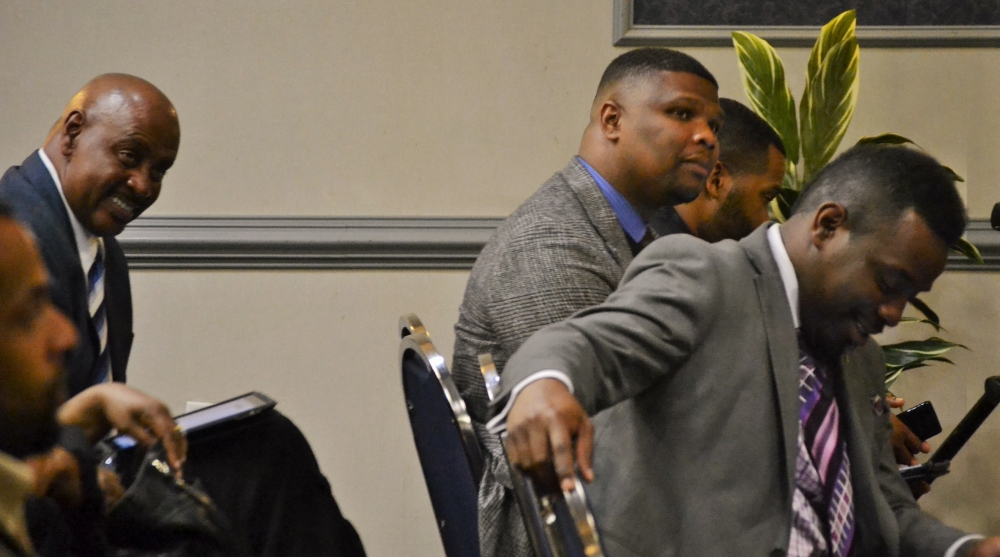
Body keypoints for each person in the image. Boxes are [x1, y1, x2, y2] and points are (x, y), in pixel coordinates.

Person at [495, 144, 1000, 556]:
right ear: (827, 225)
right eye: (888, 283)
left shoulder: (858, 354)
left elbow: (885, 507)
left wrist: (965, 550)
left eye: (910, 296)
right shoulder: (708, 278)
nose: (893, 313)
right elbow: (581, 344)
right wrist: (545, 387)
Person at [0, 74, 365, 557]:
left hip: (88, 473)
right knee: (268, 469)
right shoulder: (13, 236)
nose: (143, 185)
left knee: (265, 445)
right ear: (72, 133)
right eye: (129, 156)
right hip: (51, 505)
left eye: (159, 171)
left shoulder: (105, 253)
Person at [451, 47, 721, 557]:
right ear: (612, 120)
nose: (707, 136)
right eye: (682, 113)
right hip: (566, 531)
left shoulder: (631, 231)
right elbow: (608, 448)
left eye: (713, 124)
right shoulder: (553, 244)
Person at [649, 97, 785, 241]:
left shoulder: (647, 230)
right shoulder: (665, 253)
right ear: (715, 179)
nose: (765, 221)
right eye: (766, 198)